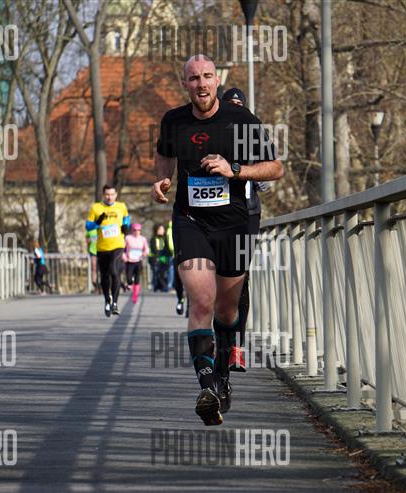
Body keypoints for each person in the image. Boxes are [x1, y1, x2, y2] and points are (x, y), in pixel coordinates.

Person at [151, 54, 283, 426]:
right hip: (190, 220)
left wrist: (234, 169)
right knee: (201, 299)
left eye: (207, 76)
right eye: (194, 78)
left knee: (227, 310)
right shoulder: (174, 121)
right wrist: (162, 180)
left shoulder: (241, 121)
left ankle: (223, 377)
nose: (202, 84)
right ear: (185, 84)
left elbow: (275, 168)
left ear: (217, 81)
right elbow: (163, 156)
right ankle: (207, 386)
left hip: (234, 225)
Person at [222, 87, 271, 372]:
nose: (236, 108)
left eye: (239, 104)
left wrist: (256, 173)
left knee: (241, 279)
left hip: (248, 213)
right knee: (217, 280)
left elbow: (268, 177)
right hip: (216, 215)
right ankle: (221, 340)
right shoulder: (213, 134)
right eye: (231, 104)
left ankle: (237, 348)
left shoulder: (253, 135)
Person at [85, 184, 130, 317]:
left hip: (118, 245)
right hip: (102, 247)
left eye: (112, 194)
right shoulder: (96, 208)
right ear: (103, 195)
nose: (109, 197)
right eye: (107, 195)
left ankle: (115, 303)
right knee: (105, 275)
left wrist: (126, 226)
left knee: (114, 272)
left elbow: (126, 218)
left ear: (116, 195)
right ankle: (107, 301)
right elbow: (88, 226)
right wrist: (97, 223)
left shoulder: (121, 206)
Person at [123, 223, 149, 304]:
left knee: (137, 279)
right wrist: (124, 256)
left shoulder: (143, 239)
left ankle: (135, 296)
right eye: (135, 230)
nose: (137, 231)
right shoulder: (128, 238)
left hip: (138, 261)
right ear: (132, 230)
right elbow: (122, 248)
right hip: (129, 261)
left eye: (138, 230)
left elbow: (147, 249)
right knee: (129, 278)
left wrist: (145, 253)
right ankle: (129, 284)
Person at [149, 224, 171, 292]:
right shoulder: (153, 239)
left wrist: (168, 256)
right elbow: (154, 249)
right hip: (155, 259)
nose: (162, 231)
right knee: (156, 273)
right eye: (160, 229)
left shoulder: (165, 239)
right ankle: (157, 286)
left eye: (163, 229)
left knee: (163, 274)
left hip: (164, 259)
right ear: (156, 230)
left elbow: (167, 249)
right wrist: (157, 257)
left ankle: (163, 286)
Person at [84, 224, 99, 293]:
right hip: (93, 251)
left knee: (102, 269)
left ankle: (103, 285)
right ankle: (95, 285)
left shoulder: (101, 228)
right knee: (94, 268)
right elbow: (87, 240)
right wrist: (89, 240)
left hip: (102, 250)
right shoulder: (90, 230)